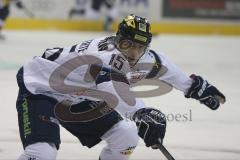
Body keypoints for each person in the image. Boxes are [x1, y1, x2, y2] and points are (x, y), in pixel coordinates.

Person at [16, 14, 226, 160]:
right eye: (127, 44)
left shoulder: (149, 59)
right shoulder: (104, 56)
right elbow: (113, 89)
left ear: (146, 47)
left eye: (139, 46)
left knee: (126, 136)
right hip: (41, 89)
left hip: (79, 97)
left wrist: (195, 88)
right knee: (42, 154)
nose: (132, 52)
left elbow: (169, 70)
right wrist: (141, 112)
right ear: (118, 39)